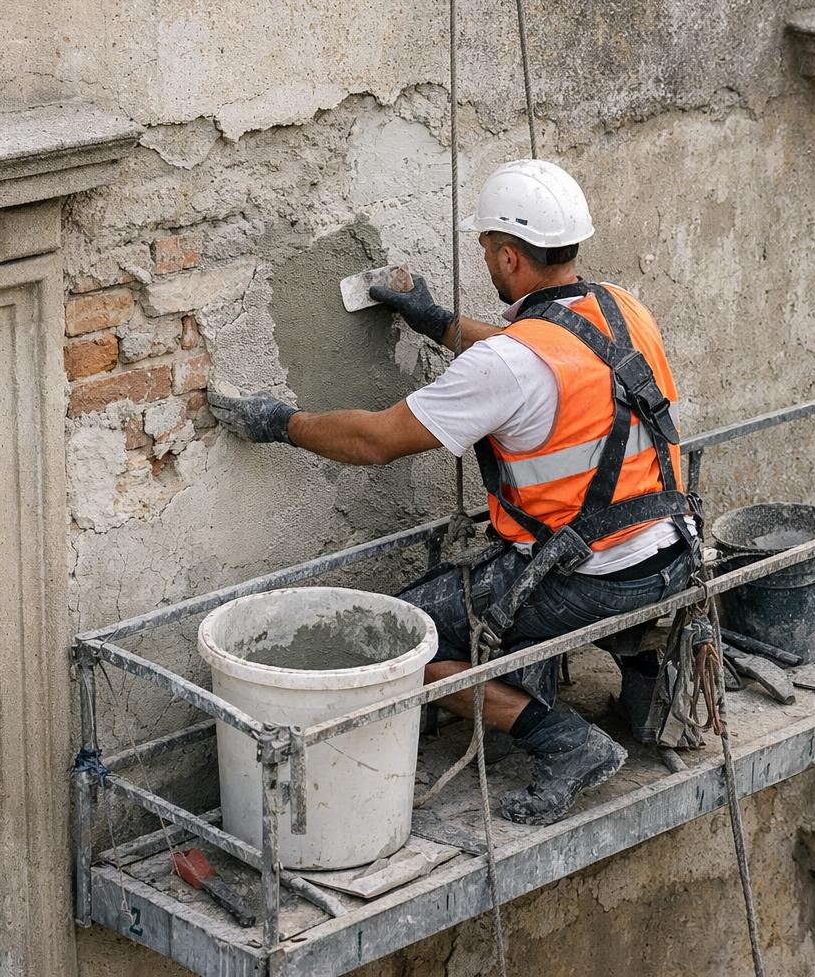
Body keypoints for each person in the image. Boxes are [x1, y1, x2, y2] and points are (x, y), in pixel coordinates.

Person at [210, 160, 698, 825]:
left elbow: (376, 440)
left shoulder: (509, 363)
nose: (486, 261)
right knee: (487, 591)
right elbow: (534, 347)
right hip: (672, 552)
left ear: (508, 256)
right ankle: (644, 695)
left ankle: (567, 743)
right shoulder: (619, 308)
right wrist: (434, 319)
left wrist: (281, 424)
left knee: (399, 642)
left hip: (596, 577)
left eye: (487, 251)